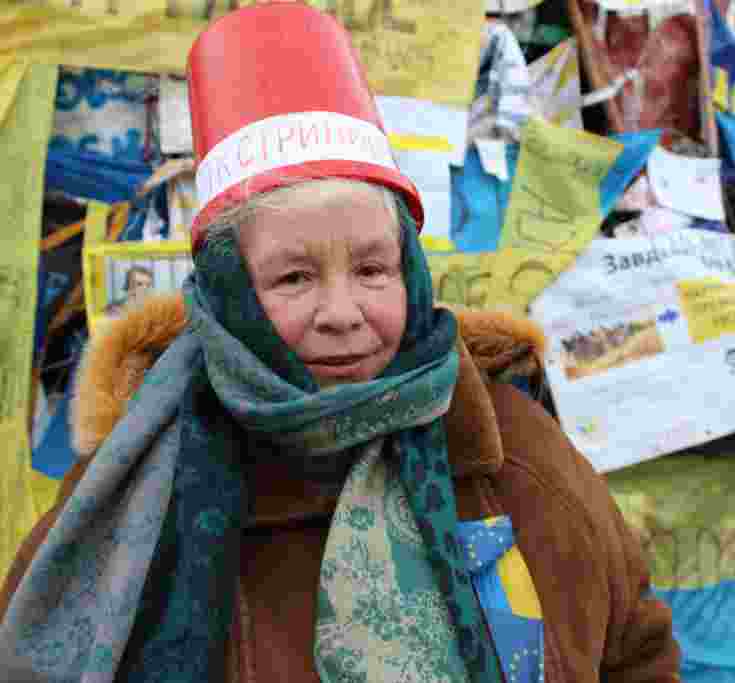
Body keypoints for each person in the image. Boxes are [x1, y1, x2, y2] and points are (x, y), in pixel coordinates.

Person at [0, 4, 680, 682]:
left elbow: (637, 652)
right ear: (231, 290)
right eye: (294, 277)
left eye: (373, 269)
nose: (342, 313)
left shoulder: (516, 452)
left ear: (410, 271)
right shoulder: (135, 488)